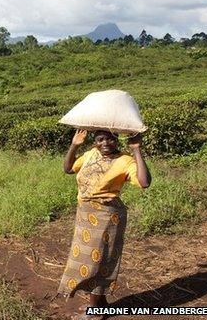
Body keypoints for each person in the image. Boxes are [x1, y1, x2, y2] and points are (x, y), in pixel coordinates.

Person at [58, 129, 151, 320]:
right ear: (95, 142)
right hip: (85, 215)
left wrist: (136, 150)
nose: (105, 142)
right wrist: (75, 144)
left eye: (110, 138)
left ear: (117, 141)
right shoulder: (90, 154)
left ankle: (95, 313)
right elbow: (68, 169)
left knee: (99, 261)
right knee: (89, 260)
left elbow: (144, 182)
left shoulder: (125, 160)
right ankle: (100, 305)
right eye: (100, 139)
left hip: (106, 216)